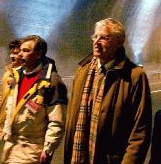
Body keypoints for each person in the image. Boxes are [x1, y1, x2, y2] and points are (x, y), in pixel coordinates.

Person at [64, 18, 152, 164]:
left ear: (119, 42)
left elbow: (140, 130)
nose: (97, 42)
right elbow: (71, 122)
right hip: (78, 156)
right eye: (95, 36)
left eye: (104, 38)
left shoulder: (134, 76)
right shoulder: (82, 72)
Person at [1, 35, 67, 164]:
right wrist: (5, 131)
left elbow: (56, 120)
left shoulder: (51, 82)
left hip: (31, 149)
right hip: (10, 145)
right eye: (20, 50)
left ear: (38, 54)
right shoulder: (16, 76)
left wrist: (48, 148)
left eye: (26, 51)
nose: (20, 54)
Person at [0, 39, 23, 140]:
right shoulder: (7, 74)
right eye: (11, 53)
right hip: (7, 122)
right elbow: (2, 96)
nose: (11, 56)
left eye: (15, 53)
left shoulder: (28, 76)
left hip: (21, 125)